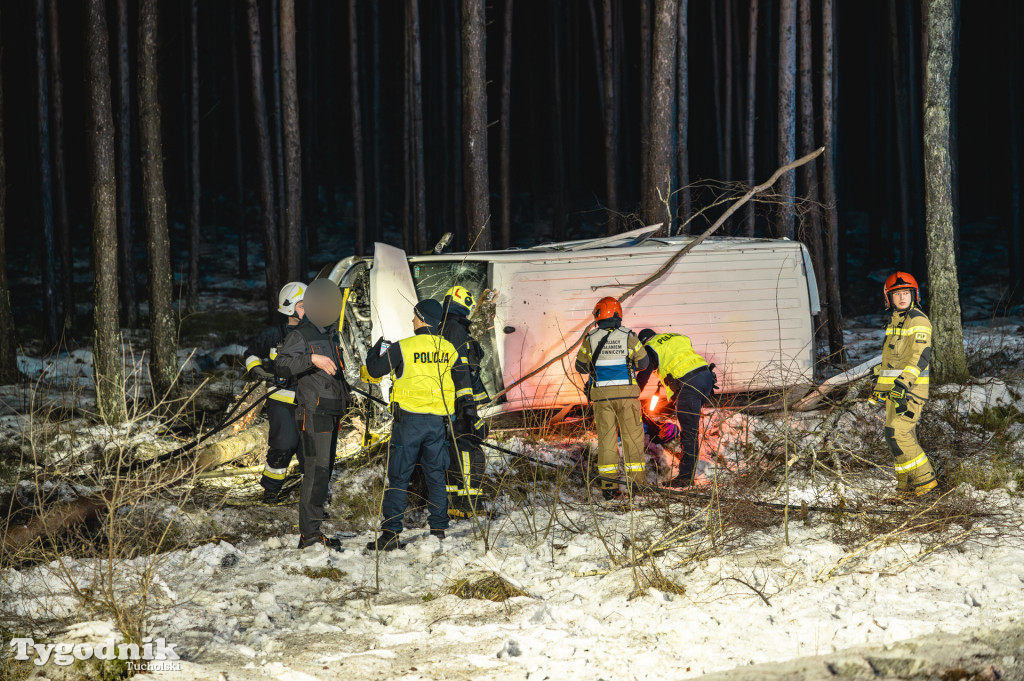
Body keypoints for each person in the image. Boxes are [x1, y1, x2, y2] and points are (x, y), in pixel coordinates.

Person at [363, 299, 474, 551]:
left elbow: (375, 369)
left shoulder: (404, 347)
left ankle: (390, 534)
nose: (412, 321)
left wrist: (378, 348)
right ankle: (438, 529)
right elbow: (462, 381)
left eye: (414, 317)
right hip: (438, 423)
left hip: (409, 423)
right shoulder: (449, 349)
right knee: (436, 476)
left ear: (421, 318)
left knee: (399, 477)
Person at [275, 279, 351, 550]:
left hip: (332, 410)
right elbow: (281, 365)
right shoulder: (302, 334)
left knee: (325, 471)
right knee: (316, 472)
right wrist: (312, 360)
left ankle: (314, 530)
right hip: (314, 411)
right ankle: (309, 536)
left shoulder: (329, 332)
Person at [868, 272, 938, 497]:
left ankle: (927, 487)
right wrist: (880, 386)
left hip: (910, 391)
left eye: (906, 293)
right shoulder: (895, 322)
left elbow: (921, 356)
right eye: (896, 294)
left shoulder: (918, 320)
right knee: (893, 436)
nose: (902, 298)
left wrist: (903, 385)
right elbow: (893, 363)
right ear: (889, 298)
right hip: (895, 393)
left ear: (914, 295)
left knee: (900, 434)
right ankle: (905, 491)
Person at [574, 297, 650, 500]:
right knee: (633, 439)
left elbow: (580, 367)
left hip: (602, 398)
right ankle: (637, 486)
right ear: (618, 314)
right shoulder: (629, 336)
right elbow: (643, 362)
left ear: (598, 314)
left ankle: (609, 486)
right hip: (627, 396)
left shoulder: (590, 338)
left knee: (607, 440)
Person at [244, 281, 307, 504]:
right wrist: (258, 371)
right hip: (281, 401)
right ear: (290, 307)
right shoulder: (273, 334)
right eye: (302, 303)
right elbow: (251, 353)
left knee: (309, 451)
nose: (307, 307)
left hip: (309, 402)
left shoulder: (315, 333)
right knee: (283, 445)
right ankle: (271, 491)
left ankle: (312, 498)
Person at [636, 328, 717, 488]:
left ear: (644, 341)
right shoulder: (676, 337)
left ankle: (686, 478)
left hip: (688, 384)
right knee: (690, 424)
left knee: (689, 432)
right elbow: (680, 360)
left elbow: (643, 375)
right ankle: (688, 471)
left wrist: (632, 394)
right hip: (706, 377)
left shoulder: (649, 347)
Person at [438, 285, 489, 518]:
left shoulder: (443, 327)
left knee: (453, 448)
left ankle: (453, 502)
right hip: (460, 402)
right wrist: (467, 404)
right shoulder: (456, 329)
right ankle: (468, 503)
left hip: (450, 401)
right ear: (465, 303)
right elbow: (460, 368)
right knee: (468, 448)